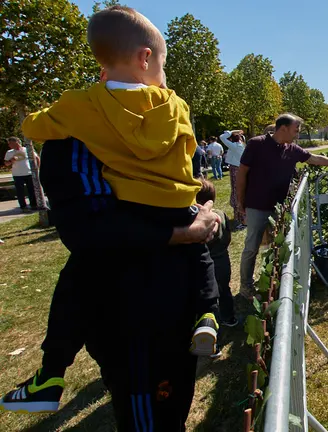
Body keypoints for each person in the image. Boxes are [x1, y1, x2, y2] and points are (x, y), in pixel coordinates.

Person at [0, 6, 219, 428]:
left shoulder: (76, 117)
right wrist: (187, 227)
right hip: (133, 310)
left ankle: (52, 371)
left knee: (166, 413)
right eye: (163, 64)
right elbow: (89, 231)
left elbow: (38, 127)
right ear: (145, 58)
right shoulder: (174, 112)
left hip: (159, 303)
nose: (165, 76)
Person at [237, 113, 328, 298]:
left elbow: (315, 159)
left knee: (277, 246)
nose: (298, 134)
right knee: (251, 248)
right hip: (257, 206)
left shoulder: (292, 149)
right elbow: (242, 173)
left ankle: (274, 281)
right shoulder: (256, 144)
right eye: (296, 130)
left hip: (280, 208)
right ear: (283, 128)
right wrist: (240, 202)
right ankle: (246, 286)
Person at [196, 179, 237, 332]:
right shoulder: (221, 214)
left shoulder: (197, 224)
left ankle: (209, 325)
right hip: (222, 261)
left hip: (205, 265)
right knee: (225, 290)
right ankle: (229, 317)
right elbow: (228, 235)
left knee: (207, 295)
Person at [3, 137, 40, 212]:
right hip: (17, 175)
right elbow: (6, 164)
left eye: (10, 143)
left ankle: (34, 205)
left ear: (16, 142)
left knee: (31, 190)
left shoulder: (27, 149)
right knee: (20, 191)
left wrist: (38, 168)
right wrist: (11, 160)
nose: (9, 145)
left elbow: (37, 158)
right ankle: (23, 207)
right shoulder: (9, 152)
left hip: (29, 173)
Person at [220, 129, 247, 230]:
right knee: (237, 192)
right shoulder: (241, 145)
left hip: (236, 169)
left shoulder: (235, 146)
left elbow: (222, 137)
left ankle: (242, 219)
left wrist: (231, 132)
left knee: (237, 193)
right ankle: (240, 217)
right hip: (237, 169)